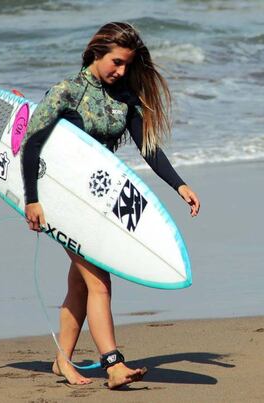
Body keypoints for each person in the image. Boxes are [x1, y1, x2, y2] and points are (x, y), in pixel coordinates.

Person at [20, 22, 200, 389]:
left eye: (126, 66)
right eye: (116, 62)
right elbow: (31, 145)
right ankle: (113, 365)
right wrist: (32, 200)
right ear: (96, 52)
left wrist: (178, 185)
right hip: (62, 202)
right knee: (100, 281)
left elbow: (148, 147)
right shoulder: (65, 92)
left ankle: (62, 361)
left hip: (96, 202)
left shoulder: (124, 98)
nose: (120, 71)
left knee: (81, 284)